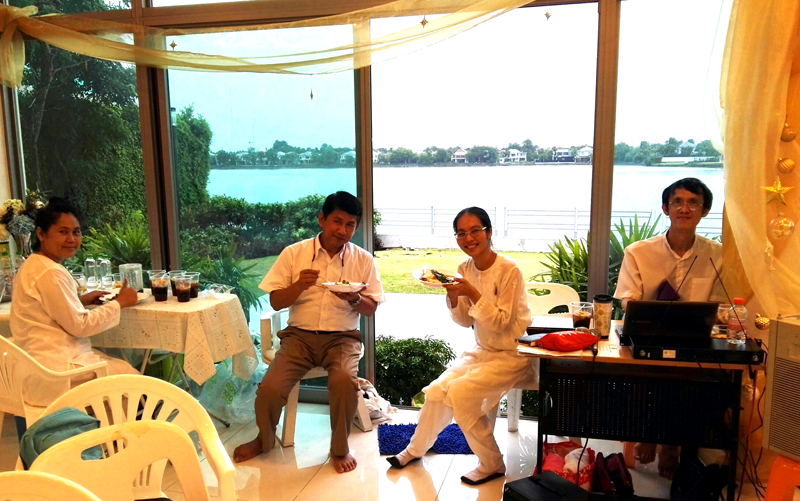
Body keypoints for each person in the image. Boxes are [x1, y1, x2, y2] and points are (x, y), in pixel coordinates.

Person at [232, 191, 385, 473]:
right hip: (298, 338)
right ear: (322, 219)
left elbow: (371, 308)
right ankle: (263, 439)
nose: (342, 230)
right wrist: (299, 286)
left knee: (343, 381)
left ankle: (340, 448)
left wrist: (353, 298)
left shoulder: (363, 260)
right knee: (270, 388)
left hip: (342, 339)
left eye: (350, 225)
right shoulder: (295, 253)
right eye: (337, 221)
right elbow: (276, 301)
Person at [387, 206, 533, 486]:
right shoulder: (464, 269)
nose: (468, 238)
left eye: (475, 230)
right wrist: (453, 296)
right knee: (438, 389)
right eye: (461, 233)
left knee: (461, 393)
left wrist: (472, 292)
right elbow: (466, 321)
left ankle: (492, 463)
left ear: (489, 232)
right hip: (481, 350)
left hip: (513, 353)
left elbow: (503, 323)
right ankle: (414, 450)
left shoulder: (509, 269)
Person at [614, 177, 723, 479]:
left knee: (693, 375)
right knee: (649, 368)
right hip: (647, 335)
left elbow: (720, 306)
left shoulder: (717, 254)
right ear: (665, 208)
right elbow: (627, 299)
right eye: (677, 202)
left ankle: (671, 443)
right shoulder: (638, 251)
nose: (684, 209)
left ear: (705, 211)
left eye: (693, 203)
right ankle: (651, 434)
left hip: (694, 338)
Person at [10, 197, 139, 408]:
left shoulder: (33, 264)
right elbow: (80, 326)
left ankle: (112, 427)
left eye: (76, 232)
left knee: (120, 368)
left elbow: (48, 309)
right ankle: (125, 430)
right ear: (41, 234)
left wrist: (80, 300)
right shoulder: (50, 271)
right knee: (134, 382)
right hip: (57, 372)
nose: (71, 239)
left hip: (35, 366)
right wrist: (120, 303)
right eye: (63, 232)